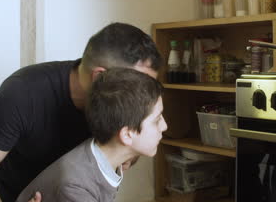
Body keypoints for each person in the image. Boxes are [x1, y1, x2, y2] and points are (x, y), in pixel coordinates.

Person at [0, 23, 162, 202]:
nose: (144, 94)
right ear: (100, 76)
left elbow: (128, 152)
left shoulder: (127, 105)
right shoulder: (23, 92)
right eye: (139, 85)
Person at [16, 67, 167, 202]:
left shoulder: (105, 158)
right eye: (157, 120)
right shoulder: (76, 186)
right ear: (127, 135)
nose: (164, 126)